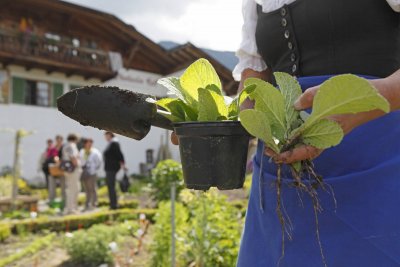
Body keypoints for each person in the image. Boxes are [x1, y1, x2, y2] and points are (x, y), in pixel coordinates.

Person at [233, 0, 400, 266]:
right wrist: (213, 126)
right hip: (280, 182)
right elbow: (252, 86)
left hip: (375, 168)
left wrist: (364, 100)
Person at [103, 132, 125, 210]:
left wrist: (123, 163)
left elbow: (119, 154)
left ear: (109, 135)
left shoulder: (114, 142)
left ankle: (114, 205)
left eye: (105, 135)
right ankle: (113, 204)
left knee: (111, 186)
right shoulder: (111, 143)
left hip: (111, 168)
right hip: (110, 168)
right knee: (111, 186)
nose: (105, 137)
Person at [80, 138, 102, 211]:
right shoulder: (82, 151)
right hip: (84, 173)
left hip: (92, 173)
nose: (89, 144)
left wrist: (94, 168)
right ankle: (87, 203)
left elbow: (99, 161)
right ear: (85, 144)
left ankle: (94, 203)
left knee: (92, 188)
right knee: (86, 189)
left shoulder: (95, 152)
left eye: (90, 143)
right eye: (87, 143)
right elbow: (80, 160)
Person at [62, 133, 82, 215]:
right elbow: (73, 156)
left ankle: (72, 208)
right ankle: (71, 209)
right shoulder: (72, 145)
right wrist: (77, 165)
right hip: (73, 170)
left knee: (72, 188)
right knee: (73, 189)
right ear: (75, 139)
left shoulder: (65, 146)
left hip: (68, 170)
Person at [48, 135, 66, 206]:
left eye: (60, 140)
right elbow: (49, 156)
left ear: (62, 140)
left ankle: (64, 201)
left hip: (62, 169)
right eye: (57, 140)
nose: (58, 142)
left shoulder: (64, 148)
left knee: (63, 186)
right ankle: (51, 202)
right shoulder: (53, 148)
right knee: (52, 186)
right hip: (53, 169)